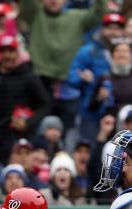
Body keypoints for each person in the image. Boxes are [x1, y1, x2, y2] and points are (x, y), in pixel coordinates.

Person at [18, 0, 107, 131]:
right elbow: (26, 4)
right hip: (40, 85)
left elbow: (98, 14)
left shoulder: (77, 16)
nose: (53, 1)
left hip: (69, 85)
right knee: (40, 131)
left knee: (70, 131)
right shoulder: (35, 14)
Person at [0, 36, 50, 162]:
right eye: (4, 51)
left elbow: (45, 105)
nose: (7, 55)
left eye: (11, 51)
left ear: (17, 52)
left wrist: (28, 122)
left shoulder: (29, 77)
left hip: (21, 136)